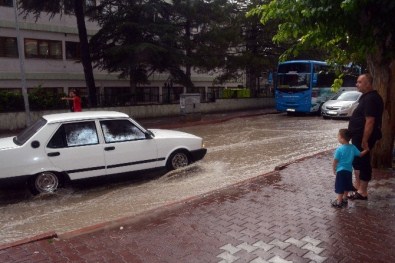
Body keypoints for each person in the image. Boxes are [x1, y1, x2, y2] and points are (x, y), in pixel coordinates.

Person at [348, 73, 384, 200]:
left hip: (364, 137)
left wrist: (365, 139)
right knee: (357, 161)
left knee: (363, 162)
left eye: (359, 82)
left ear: (368, 83)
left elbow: (370, 121)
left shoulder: (371, 99)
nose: (356, 84)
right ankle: (359, 189)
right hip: (358, 136)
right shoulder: (366, 97)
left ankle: (363, 192)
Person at [331, 129, 368, 208]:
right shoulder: (352, 147)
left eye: (338, 136)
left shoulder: (339, 149)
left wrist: (333, 169)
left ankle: (339, 202)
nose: (337, 138)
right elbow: (360, 154)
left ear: (342, 138)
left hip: (340, 171)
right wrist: (366, 150)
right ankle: (345, 198)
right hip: (349, 171)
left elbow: (335, 161)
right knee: (347, 184)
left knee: (340, 186)